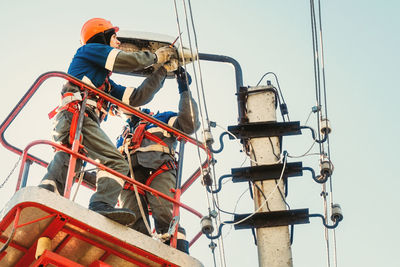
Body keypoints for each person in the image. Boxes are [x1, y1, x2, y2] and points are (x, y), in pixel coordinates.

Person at [38, 18, 179, 226]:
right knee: (115, 162)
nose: (119, 43)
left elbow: (136, 98)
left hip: (78, 120)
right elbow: (128, 60)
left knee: (70, 159)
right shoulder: (89, 50)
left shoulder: (103, 84)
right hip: (77, 116)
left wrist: (162, 71)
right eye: (114, 38)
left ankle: (48, 195)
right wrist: (156, 57)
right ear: (101, 37)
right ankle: (100, 203)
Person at [116, 66, 199, 253]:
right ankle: (137, 256)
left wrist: (184, 89)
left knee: (164, 215)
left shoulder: (161, 118)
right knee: (131, 219)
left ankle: (177, 253)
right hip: (129, 176)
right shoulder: (122, 135)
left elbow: (189, 123)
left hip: (159, 168)